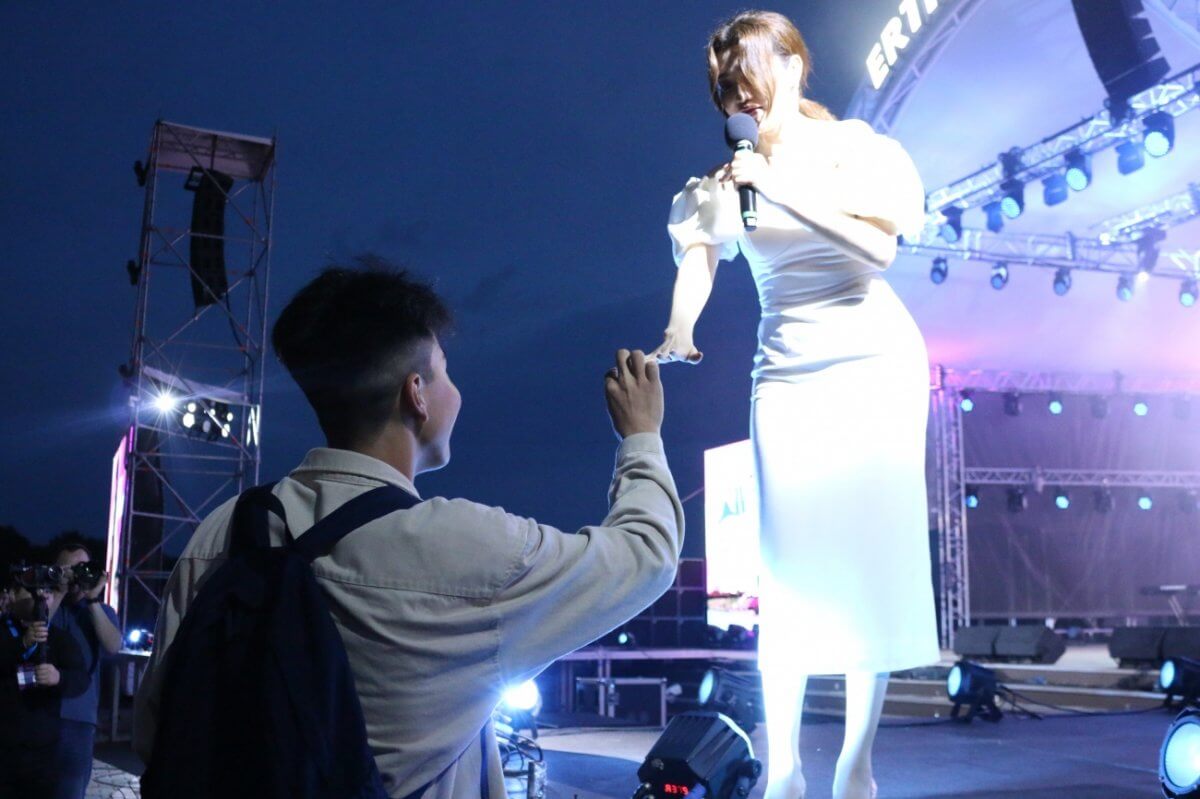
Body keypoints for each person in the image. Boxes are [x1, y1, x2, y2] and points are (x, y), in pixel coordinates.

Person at [134, 258, 683, 799]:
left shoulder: (223, 531)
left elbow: (157, 729)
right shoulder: (465, 547)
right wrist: (642, 435)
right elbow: (646, 554)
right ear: (416, 392)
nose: (456, 393)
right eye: (445, 372)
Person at [650, 11, 938, 799]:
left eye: (748, 78)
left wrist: (780, 187)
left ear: (792, 64)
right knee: (785, 567)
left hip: (874, 355)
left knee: (870, 560)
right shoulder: (725, 182)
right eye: (726, 89)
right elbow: (700, 258)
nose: (739, 97)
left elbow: (878, 247)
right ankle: (784, 766)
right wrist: (679, 328)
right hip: (784, 369)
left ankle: (856, 762)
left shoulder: (853, 150)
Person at [0, 573, 88, 797]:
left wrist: (59, 678)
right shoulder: (4, 632)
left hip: (44, 750)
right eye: (31, 590)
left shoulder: (59, 638)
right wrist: (21, 644)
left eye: (47, 591)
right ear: (12, 595)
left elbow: (81, 678)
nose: (41, 596)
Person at [50, 542, 123, 799]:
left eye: (81, 568)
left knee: (70, 791)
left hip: (79, 719)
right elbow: (36, 626)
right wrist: (58, 591)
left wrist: (92, 599)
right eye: (67, 569)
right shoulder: (47, 604)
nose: (74, 576)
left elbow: (113, 646)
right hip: (39, 715)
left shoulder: (102, 612)